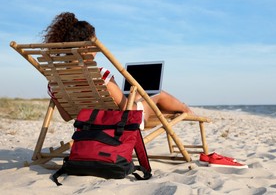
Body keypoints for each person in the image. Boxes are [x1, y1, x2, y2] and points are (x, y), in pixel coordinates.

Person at [42, 12, 194, 124]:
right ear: (87, 46)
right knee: (158, 94)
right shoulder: (100, 75)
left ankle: (183, 111)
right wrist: (137, 98)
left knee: (142, 98)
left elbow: (67, 116)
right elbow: (127, 111)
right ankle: (187, 111)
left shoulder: (54, 83)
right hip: (121, 124)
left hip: (88, 126)